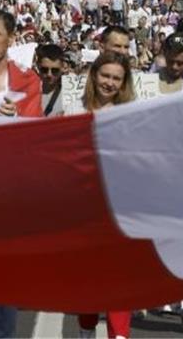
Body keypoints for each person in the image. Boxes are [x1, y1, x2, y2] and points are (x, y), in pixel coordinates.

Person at [77, 52, 136, 339]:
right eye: (105, 76)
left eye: (116, 78)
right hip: (82, 211)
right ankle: (85, 332)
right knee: (88, 283)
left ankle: (119, 335)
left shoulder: (132, 116)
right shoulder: (73, 110)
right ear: (94, 75)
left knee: (119, 280)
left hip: (119, 208)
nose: (109, 83)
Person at [34, 43, 68, 116]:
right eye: (44, 70)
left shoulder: (71, 93)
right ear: (37, 66)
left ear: (63, 67)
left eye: (55, 70)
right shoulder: (27, 91)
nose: (49, 74)